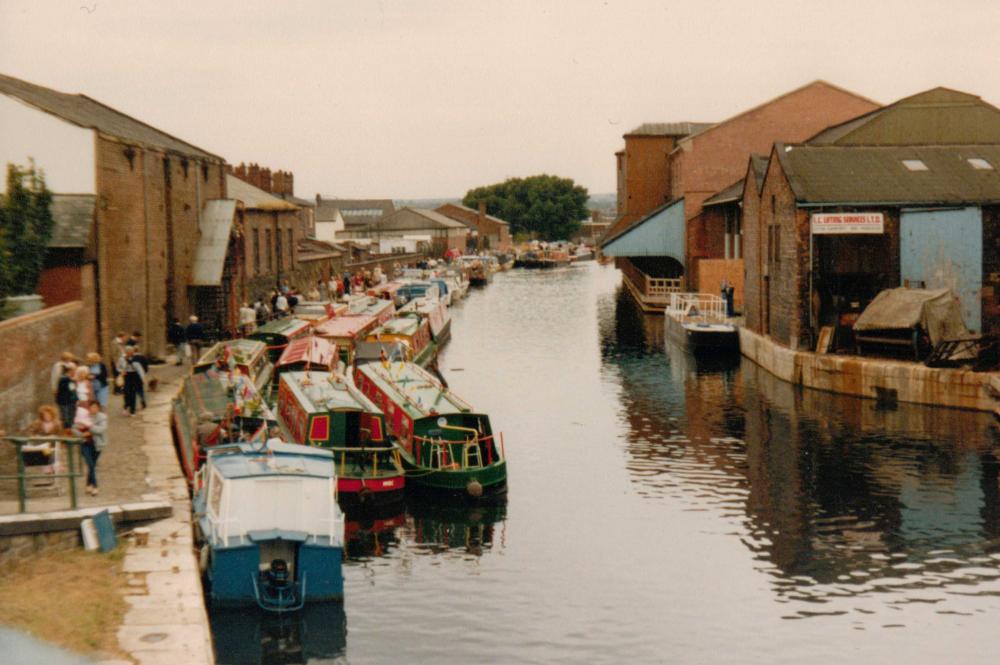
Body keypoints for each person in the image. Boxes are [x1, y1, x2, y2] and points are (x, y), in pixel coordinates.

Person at [75, 401, 107, 496]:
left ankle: (88, 484)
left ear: (98, 408)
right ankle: (95, 486)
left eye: (96, 407)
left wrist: (89, 427)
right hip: (85, 444)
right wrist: (82, 434)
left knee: (91, 465)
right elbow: (74, 429)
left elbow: (101, 430)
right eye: (92, 407)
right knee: (91, 464)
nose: (94, 409)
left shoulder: (102, 417)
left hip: (97, 444)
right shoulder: (83, 416)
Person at [118, 347, 145, 416]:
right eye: (129, 352)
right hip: (126, 376)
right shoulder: (122, 359)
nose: (130, 353)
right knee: (126, 393)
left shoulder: (136, 359)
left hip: (134, 376)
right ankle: (126, 406)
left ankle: (132, 411)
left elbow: (140, 369)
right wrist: (121, 371)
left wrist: (142, 378)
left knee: (133, 393)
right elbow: (118, 367)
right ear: (126, 352)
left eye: (131, 352)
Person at [55, 364, 78, 429]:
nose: (75, 372)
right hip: (65, 402)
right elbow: (70, 390)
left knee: (70, 419)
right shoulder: (64, 379)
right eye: (74, 370)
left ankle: (69, 431)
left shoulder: (68, 379)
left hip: (70, 402)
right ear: (70, 371)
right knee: (66, 419)